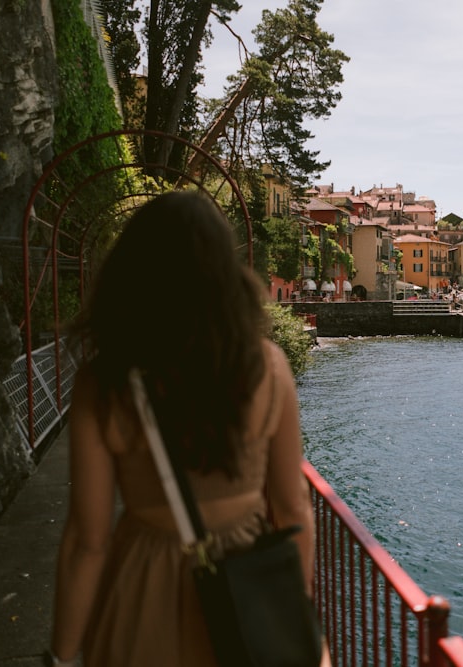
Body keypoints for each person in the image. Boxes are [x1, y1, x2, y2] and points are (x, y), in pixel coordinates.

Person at [47, 191, 317, 666]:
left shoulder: (104, 380)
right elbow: (292, 506)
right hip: (247, 591)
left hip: (141, 589)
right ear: (223, 272)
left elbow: (87, 540)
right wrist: (293, 614)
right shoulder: (267, 368)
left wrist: (61, 654)